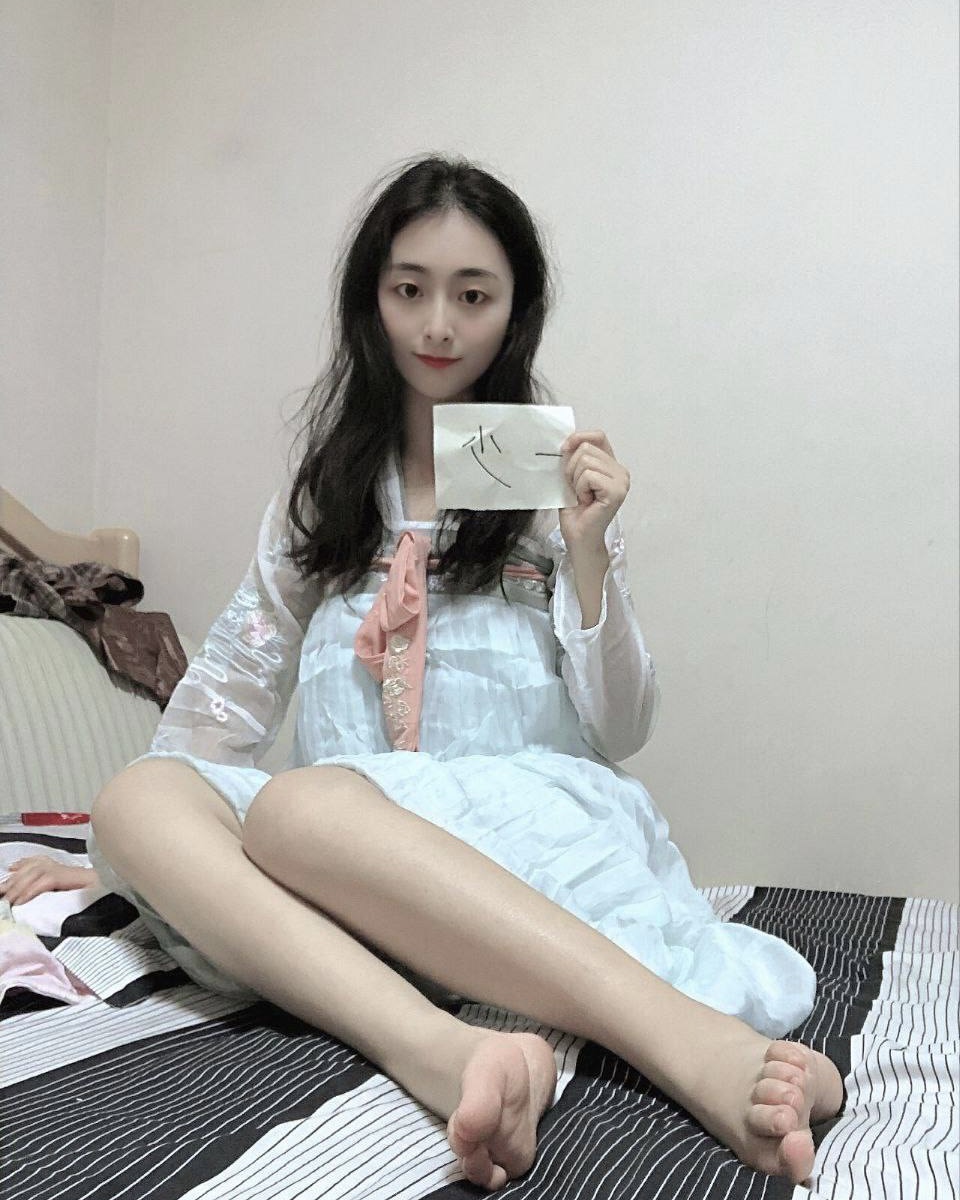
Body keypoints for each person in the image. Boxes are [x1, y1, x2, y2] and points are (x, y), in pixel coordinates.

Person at [84, 154, 842, 1191]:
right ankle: (445, 1052)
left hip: (511, 834)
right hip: (349, 865)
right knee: (135, 801)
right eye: (410, 290)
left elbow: (622, 725)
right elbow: (233, 683)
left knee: (299, 808)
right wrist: (124, 861)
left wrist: (588, 552)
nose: (438, 326)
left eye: (473, 296)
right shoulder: (325, 495)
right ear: (371, 301)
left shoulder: (546, 485)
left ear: (516, 311)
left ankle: (689, 1039)